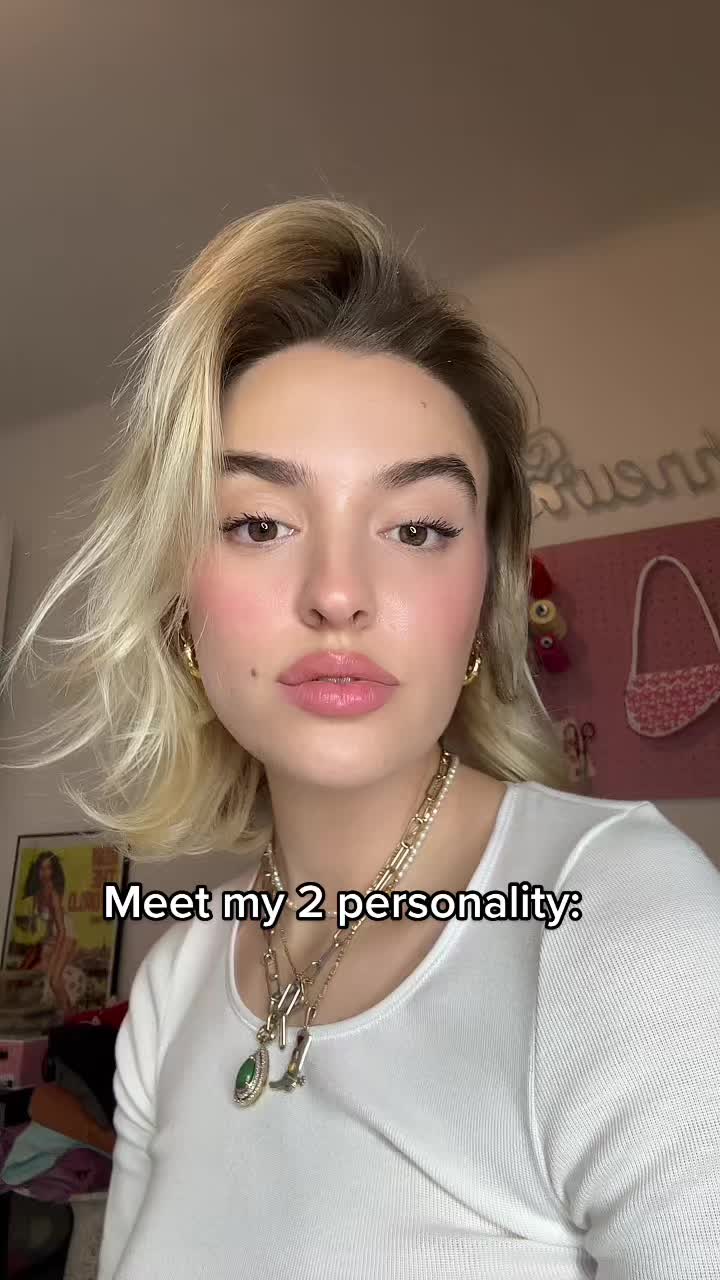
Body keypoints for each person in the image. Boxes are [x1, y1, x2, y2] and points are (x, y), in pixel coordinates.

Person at [1, 197, 718, 1278]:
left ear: (484, 596)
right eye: (258, 523)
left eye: (418, 527)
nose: (338, 592)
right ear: (178, 596)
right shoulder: (176, 985)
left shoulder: (623, 924)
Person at [18, 850, 80, 1014]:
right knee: (40, 973)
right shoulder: (38, 894)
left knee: (54, 980)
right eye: (42, 868)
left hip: (66, 933)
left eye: (49, 868)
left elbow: (62, 930)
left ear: (53, 871)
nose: (45, 873)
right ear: (37, 871)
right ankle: (69, 1013)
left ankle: (69, 1016)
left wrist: (54, 959)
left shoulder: (53, 894)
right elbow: (47, 924)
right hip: (54, 935)